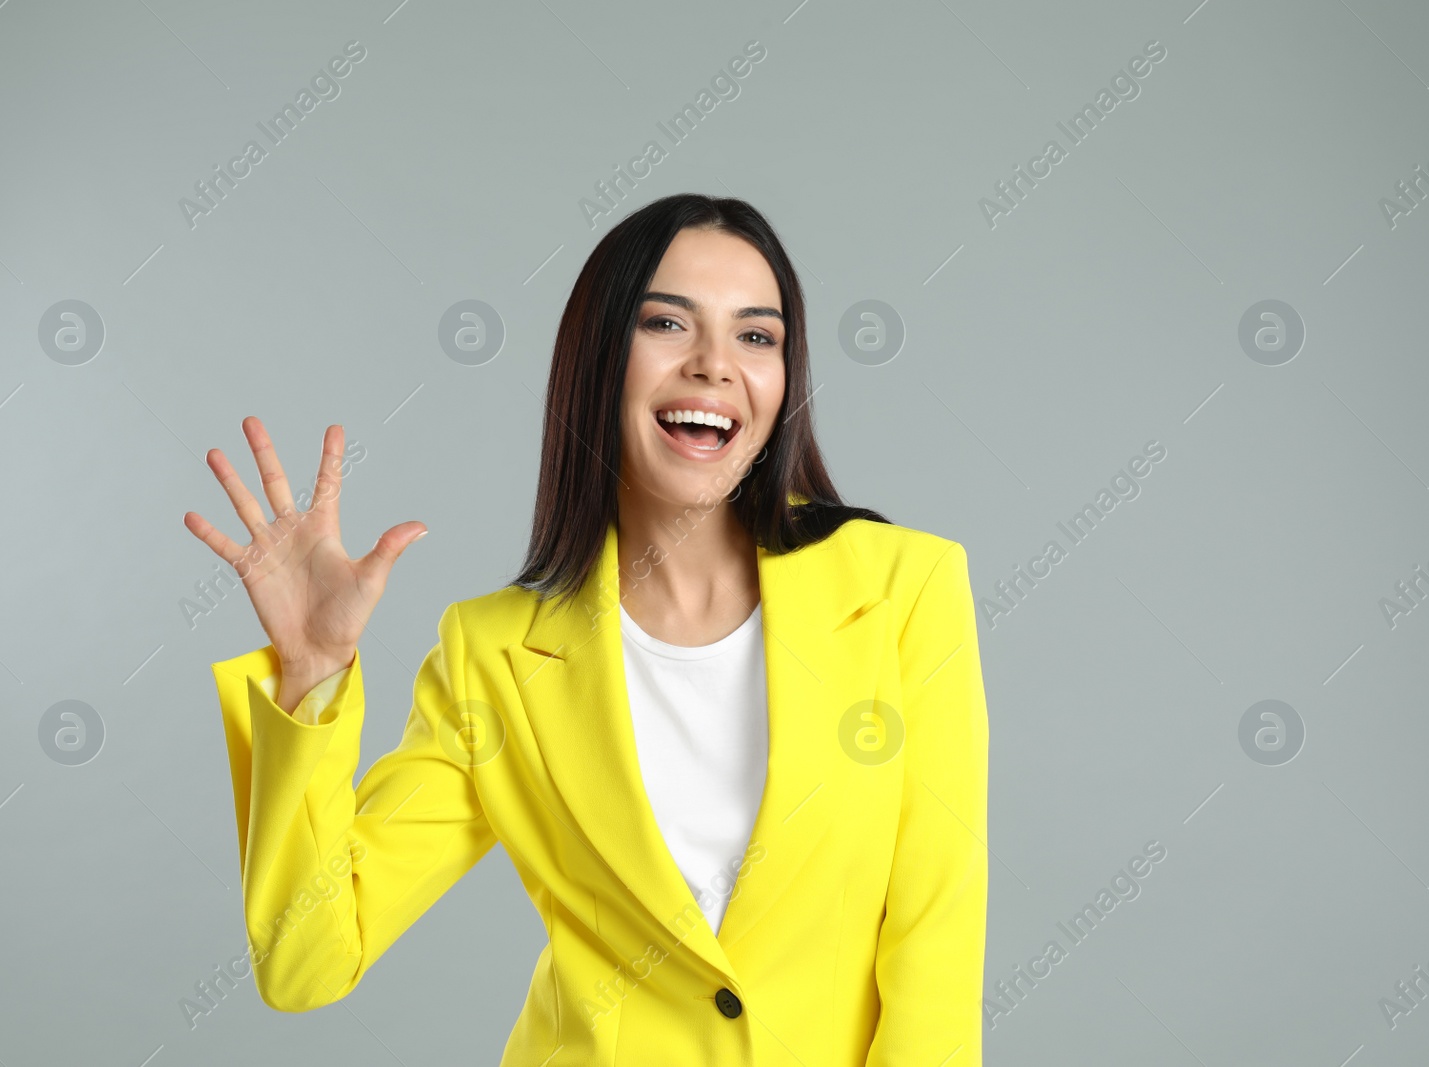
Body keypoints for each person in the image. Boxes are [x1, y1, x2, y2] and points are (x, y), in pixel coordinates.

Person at [184, 193, 990, 1065]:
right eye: (667, 324)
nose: (716, 366)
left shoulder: (904, 589)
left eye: (757, 336)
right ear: (598, 360)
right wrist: (312, 672)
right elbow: (307, 962)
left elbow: (935, 942)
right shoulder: (493, 654)